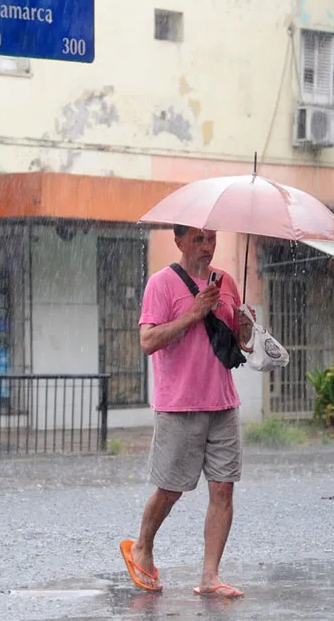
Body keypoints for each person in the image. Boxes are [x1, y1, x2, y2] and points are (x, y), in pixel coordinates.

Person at [119, 225, 254, 599]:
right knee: (170, 488)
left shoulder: (226, 282)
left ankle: (210, 576)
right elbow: (148, 341)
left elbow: (238, 342)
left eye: (212, 238)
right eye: (198, 239)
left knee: (223, 488)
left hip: (223, 402)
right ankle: (142, 547)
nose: (207, 246)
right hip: (179, 405)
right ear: (178, 241)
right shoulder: (161, 284)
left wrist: (245, 327)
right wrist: (194, 313)